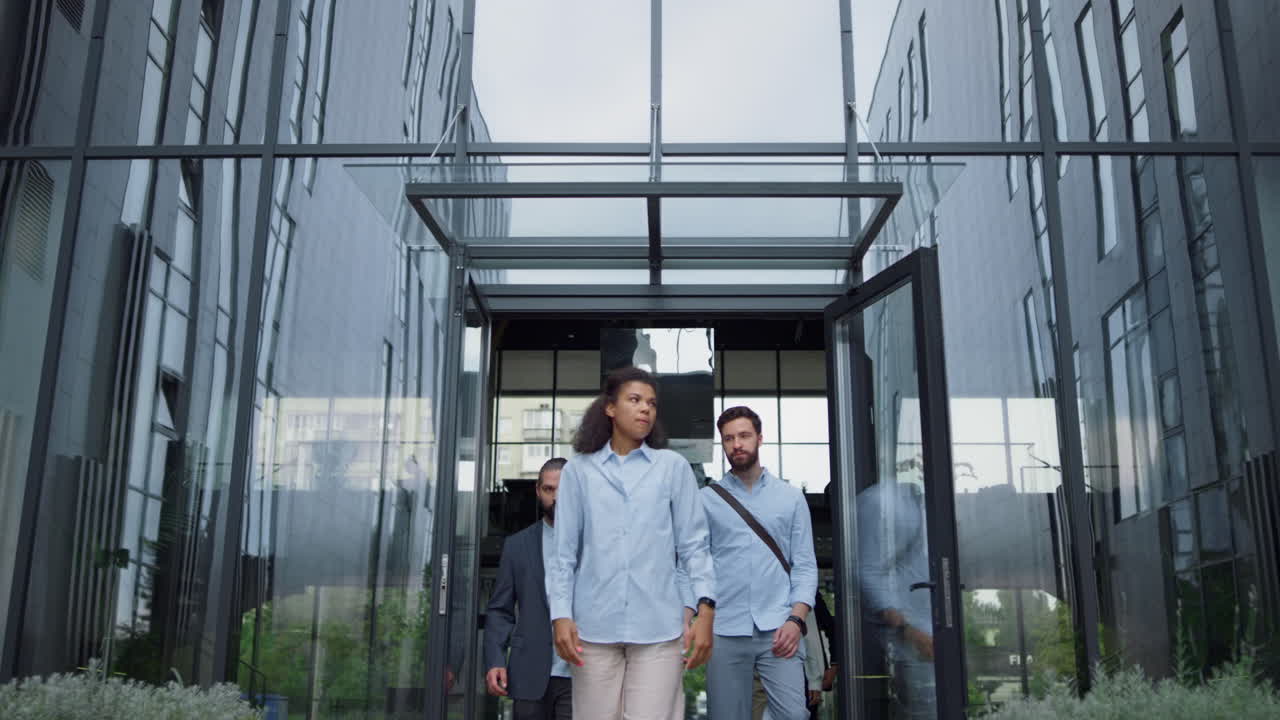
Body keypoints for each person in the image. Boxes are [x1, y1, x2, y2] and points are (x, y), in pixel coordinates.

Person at [546, 366, 717, 720]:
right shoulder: (579, 470)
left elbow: (694, 547)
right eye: (635, 400)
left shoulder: (672, 467)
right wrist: (560, 614)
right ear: (610, 408)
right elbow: (564, 554)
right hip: (593, 627)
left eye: (652, 404)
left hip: (659, 627)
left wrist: (705, 609)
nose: (645, 410)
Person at [697, 406, 818, 720]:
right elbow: (694, 564)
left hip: (780, 627)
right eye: (728, 439)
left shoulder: (791, 498)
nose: (736, 444)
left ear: (760, 439)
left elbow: (804, 565)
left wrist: (796, 620)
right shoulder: (706, 500)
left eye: (744, 436)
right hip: (723, 629)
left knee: (793, 715)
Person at [484, 458, 573, 719]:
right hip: (529, 672)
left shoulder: (596, 543)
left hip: (582, 674)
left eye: (563, 489)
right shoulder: (517, 546)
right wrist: (496, 660)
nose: (556, 497)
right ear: (538, 491)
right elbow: (500, 610)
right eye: (549, 489)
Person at [857, 479, 936, 718]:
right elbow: (866, 570)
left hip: (932, 632)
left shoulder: (923, 502)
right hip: (911, 641)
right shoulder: (878, 502)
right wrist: (909, 630)